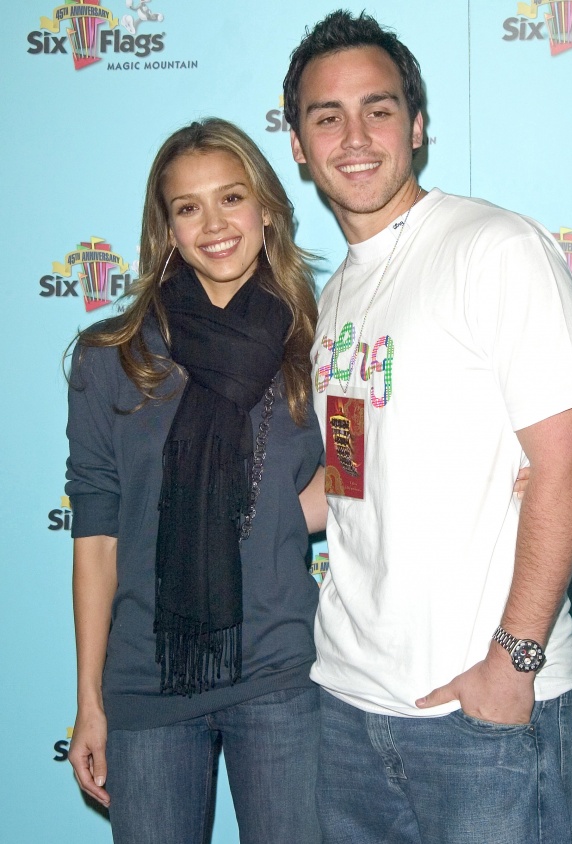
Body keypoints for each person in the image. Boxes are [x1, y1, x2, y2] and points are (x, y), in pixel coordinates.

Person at [283, 10, 572, 844]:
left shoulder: (494, 248)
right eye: (327, 117)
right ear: (299, 144)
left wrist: (514, 662)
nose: (356, 137)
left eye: (379, 109)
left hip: (481, 717)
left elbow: (569, 465)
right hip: (347, 704)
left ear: (418, 125)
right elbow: (349, 473)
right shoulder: (338, 295)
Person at [65, 117, 328, 844]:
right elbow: (97, 538)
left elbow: (338, 489)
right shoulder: (112, 356)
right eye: (189, 207)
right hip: (147, 686)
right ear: (168, 231)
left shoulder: (316, 343)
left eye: (231, 198)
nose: (214, 224)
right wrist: (90, 701)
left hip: (280, 675)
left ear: (266, 209)